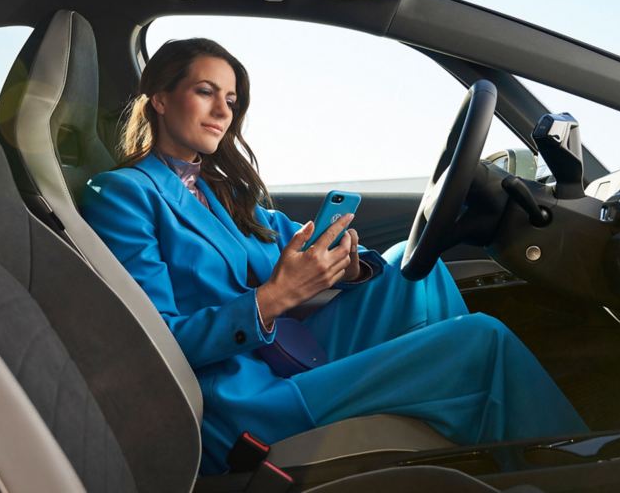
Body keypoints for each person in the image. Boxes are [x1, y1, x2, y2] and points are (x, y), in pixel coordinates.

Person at [80, 38, 587, 474]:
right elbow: (154, 346)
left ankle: (453, 413)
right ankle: (580, 468)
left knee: (410, 270)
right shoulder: (125, 194)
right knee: (482, 342)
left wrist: (347, 262)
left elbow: (288, 239)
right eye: (205, 92)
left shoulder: (218, 189)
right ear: (160, 99)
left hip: (283, 349)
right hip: (239, 395)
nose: (222, 112)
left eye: (231, 100)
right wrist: (273, 298)